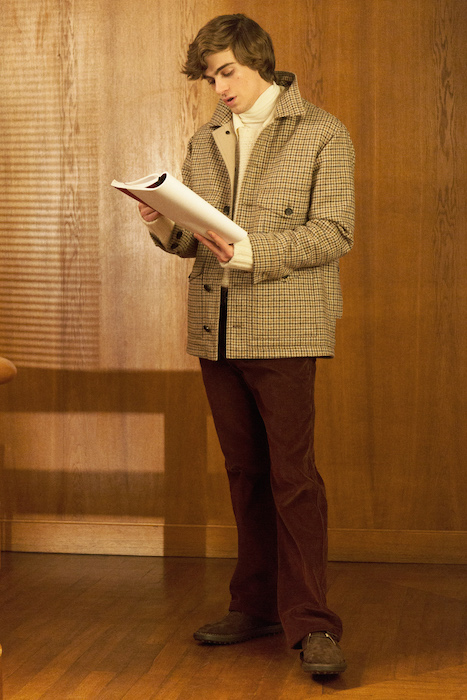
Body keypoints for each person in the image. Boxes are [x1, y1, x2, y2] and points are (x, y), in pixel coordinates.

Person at [138, 14, 355, 676]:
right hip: (217, 326)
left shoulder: (322, 132)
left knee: (293, 477)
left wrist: (251, 250)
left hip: (285, 325)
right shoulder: (205, 139)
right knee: (245, 473)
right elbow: (192, 240)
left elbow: (334, 232)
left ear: (258, 59)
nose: (219, 87)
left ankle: (312, 622)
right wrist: (160, 223)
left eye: (226, 71)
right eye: (210, 77)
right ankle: (255, 605)